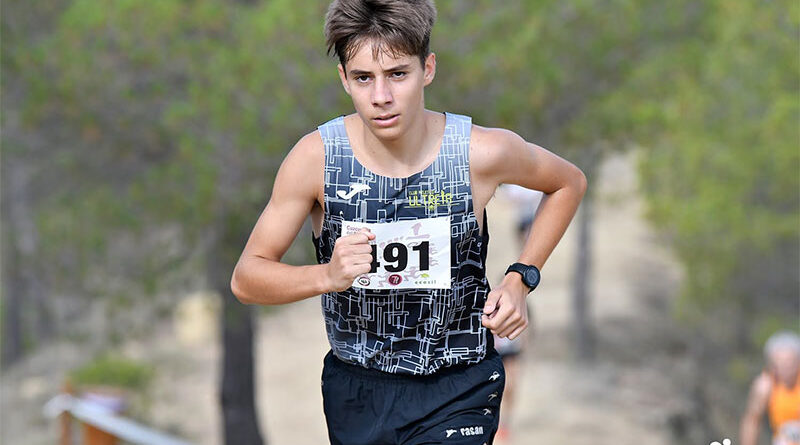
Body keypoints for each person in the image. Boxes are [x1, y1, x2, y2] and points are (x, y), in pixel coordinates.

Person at [230, 1, 587, 443]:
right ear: (344, 79)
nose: (381, 97)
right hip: (358, 388)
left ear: (428, 69)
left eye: (397, 74)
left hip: (459, 384)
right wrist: (326, 275)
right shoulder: (316, 160)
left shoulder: (478, 152)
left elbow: (568, 183)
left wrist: (520, 276)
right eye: (364, 78)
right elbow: (247, 279)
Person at [493, 184, 543, 441]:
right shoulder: (491, 298)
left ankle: (506, 423)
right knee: (499, 387)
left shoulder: (520, 298)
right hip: (499, 345)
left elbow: (529, 319)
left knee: (512, 386)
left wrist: (526, 342)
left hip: (513, 344)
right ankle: (497, 422)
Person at [740, 331, 800, 445]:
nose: (785, 368)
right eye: (780, 364)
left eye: (789, 363)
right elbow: (752, 421)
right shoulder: (765, 386)